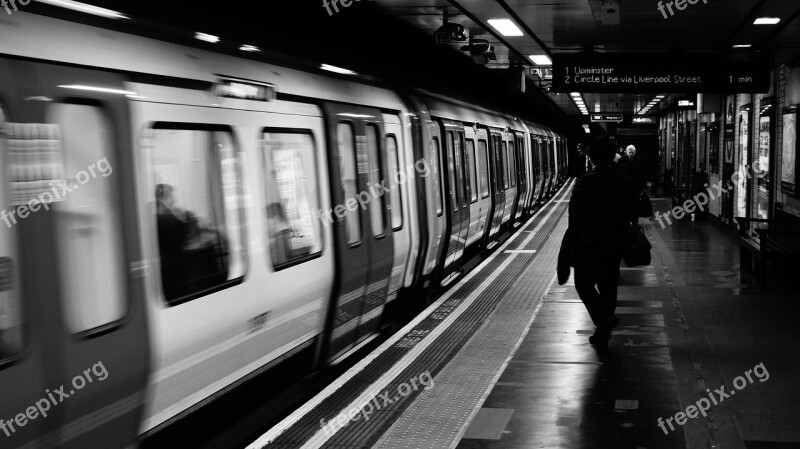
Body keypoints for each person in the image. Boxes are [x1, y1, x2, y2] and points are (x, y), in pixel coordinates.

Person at [564, 136, 631, 346]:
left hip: (590, 244)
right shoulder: (623, 179)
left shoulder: (585, 182)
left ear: (591, 157)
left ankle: (603, 319)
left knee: (582, 283)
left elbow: (574, 218)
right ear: (612, 155)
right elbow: (631, 210)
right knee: (609, 283)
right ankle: (603, 328)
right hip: (615, 241)